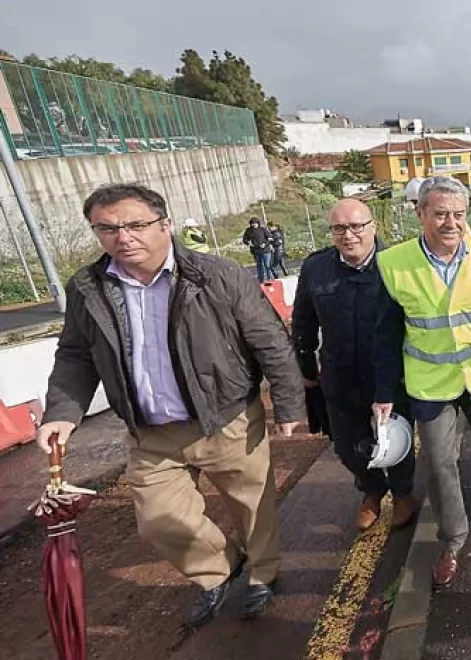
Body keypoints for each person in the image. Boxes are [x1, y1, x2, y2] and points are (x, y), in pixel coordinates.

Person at [37, 183, 305, 626]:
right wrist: (63, 413)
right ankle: (216, 570)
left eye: (136, 225)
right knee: (160, 520)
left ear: (165, 225)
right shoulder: (87, 288)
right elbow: (76, 354)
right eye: (107, 228)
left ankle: (263, 574)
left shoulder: (217, 276)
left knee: (253, 508)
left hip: (227, 418)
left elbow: (270, 342)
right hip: (150, 432)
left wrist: (289, 405)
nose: (123, 237)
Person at [372, 176, 471, 590]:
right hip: (430, 383)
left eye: (458, 214)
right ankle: (452, 541)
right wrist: (383, 394)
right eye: (440, 214)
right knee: (438, 463)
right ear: (420, 214)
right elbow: (384, 335)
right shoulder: (394, 265)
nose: (450, 223)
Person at [292, 199, 419, 533]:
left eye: (356, 226)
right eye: (339, 228)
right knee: (348, 445)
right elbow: (303, 321)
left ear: (373, 226)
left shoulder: (397, 264)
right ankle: (372, 491)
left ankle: (404, 493)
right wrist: (306, 369)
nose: (348, 235)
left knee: (395, 438)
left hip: (389, 373)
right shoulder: (316, 268)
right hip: (339, 374)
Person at [242, 217, 274, 283]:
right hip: (256, 251)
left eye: (255, 223)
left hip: (265, 250)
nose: (254, 225)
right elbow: (245, 239)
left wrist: (265, 244)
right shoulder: (248, 230)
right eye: (252, 223)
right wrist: (248, 243)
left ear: (258, 223)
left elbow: (270, 238)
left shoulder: (263, 229)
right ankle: (261, 280)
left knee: (267, 265)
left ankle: (270, 279)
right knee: (259, 266)